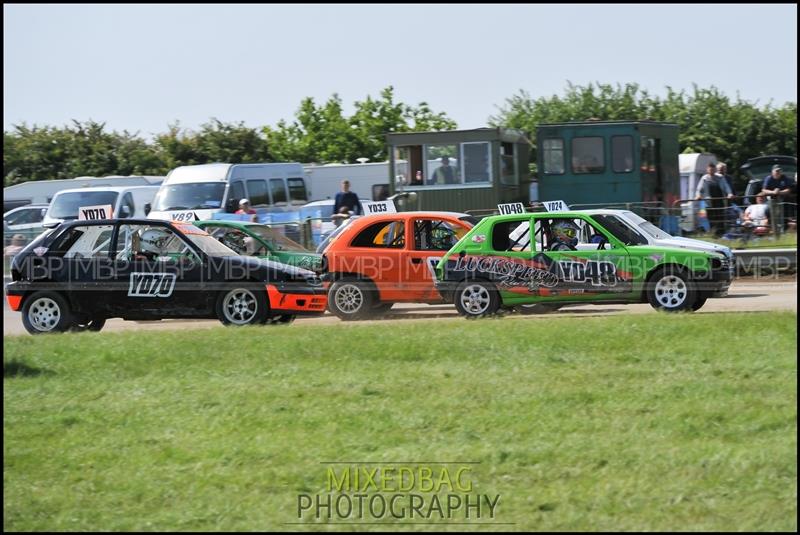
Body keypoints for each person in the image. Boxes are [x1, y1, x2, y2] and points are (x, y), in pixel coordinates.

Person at [695, 162, 734, 236]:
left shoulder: (720, 177)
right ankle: (714, 235)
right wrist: (698, 195)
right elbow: (699, 190)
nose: (711, 171)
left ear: (715, 170)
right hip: (709, 203)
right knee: (711, 219)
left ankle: (722, 235)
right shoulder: (704, 178)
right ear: (707, 170)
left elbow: (726, 187)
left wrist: (730, 194)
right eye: (710, 170)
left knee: (721, 219)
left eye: (713, 170)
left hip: (720, 202)